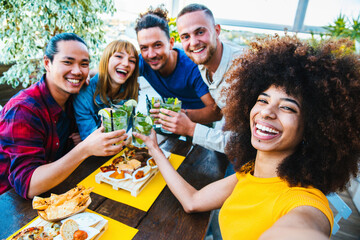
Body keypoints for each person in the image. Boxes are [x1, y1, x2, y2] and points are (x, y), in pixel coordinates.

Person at [133, 35, 360, 239]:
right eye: (262, 100)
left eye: (288, 108)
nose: (267, 112)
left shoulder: (303, 202)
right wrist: (154, 148)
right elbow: (192, 201)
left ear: (313, 129)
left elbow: (302, 229)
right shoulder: (249, 172)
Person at [0, 33, 127, 199]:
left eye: (84, 64)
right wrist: (85, 148)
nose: (77, 71)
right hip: (13, 206)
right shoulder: (23, 110)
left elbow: (109, 75)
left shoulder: (75, 96)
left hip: (64, 189)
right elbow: (28, 185)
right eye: (67, 62)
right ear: (48, 63)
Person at [157, 4, 242, 153]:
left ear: (216, 31)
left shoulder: (241, 72)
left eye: (200, 32)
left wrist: (190, 129)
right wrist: (183, 115)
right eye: (186, 37)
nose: (194, 42)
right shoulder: (202, 63)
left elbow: (241, 143)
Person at [135, 6, 222, 124]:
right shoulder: (143, 61)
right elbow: (115, 73)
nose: (151, 55)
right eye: (144, 48)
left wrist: (178, 114)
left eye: (157, 45)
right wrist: (132, 84)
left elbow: (216, 113)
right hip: (169, 122)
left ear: (171, 43)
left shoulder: (192, 68)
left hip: (199, 123)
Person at [73, 40, 139, 140]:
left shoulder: (130, 92)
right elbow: (91, 140)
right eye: (119, 56)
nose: (126, 63)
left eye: (132, 61)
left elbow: (123, 133)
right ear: (106, 60)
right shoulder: (84, 93)